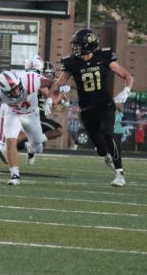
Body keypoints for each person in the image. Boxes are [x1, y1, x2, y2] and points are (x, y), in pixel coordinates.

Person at [50, 28, 135, 187]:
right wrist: (50, 99)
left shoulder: (104, 56)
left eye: (78, 45)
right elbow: (58, 83)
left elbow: (127, 76)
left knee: (108, 133)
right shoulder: (72, 62)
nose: (75, 48)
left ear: (89, 45)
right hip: (87, 110)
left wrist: (127, 90)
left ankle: (119, 174)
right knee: (101, 148)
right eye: (74, 45)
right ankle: (106, 155)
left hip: (105, 105)